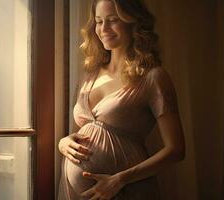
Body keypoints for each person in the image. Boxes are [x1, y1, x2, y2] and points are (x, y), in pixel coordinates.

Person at [57, 0, 185, 199]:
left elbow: (176, 150)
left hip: (127, 190)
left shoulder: (153, 77)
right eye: (99, 21)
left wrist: (119, 180)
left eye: (113, 20)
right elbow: (81, 133)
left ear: (133, 22)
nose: (104, 29)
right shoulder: (90, 74)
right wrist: (64, 142)